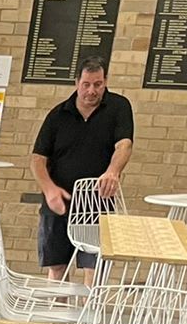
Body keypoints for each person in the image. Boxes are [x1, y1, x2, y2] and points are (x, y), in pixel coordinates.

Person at [30, 58, 134, 280]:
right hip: (60, 200)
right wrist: (49, 190)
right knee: (57, 266)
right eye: (86, 84)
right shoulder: (58, 115)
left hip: (96, 199)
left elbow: (124, 144)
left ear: (105, 82)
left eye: (97, 84)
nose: (91, 91)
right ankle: (56, 312)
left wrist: (112, 171)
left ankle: (87, 314)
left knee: (93, 268)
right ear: (77, 82)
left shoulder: (118, 107)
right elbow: (37, 159)